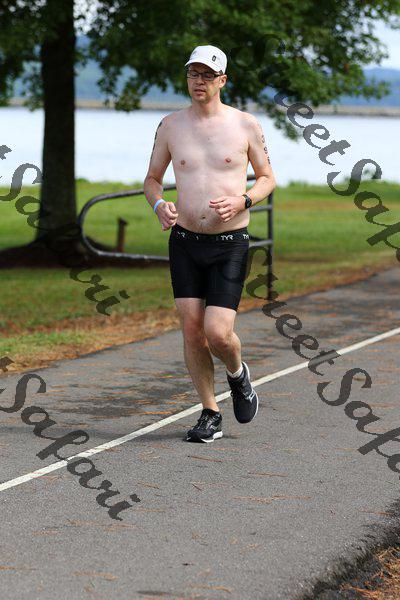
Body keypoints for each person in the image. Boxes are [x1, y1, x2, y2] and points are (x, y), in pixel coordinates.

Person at [144, 44, 276, 443]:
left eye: (207, 75)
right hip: (185, 241)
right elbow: (152, 180)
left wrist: (243, 200)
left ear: (222, 81)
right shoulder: (170, 126)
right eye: (193, 73)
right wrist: (159, 205)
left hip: (229, 243)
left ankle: (237, 373)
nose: (198, 81)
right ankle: (210, 412)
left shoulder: (245, 125)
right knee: (191, 330)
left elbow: (267, 178)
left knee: (218, 333)